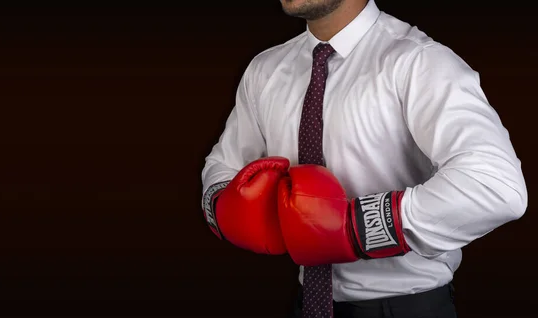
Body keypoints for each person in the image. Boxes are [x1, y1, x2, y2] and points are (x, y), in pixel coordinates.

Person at [200, 0, 528, 317]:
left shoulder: (419, 61)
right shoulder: (265, 70)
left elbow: (496, 185)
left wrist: (356, 227)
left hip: (405, 308)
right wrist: (226, 207)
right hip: (307, 306)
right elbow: (223, 165)